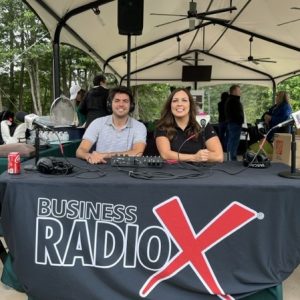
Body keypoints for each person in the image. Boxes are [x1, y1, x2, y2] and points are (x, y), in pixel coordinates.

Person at [76, 86, 147, 164]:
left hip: (129, 171)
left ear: (131, 105)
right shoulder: (97, 123)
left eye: (125, 101)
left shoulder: (139, 127)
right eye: (117, 101)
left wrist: (104, 155)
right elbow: (80, 151)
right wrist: (88, 156)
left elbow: (137, 153)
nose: (121, 104)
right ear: (110, 104)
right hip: (101, 169)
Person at [155, 88, 223, 163]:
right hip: (172, 172)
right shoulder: (162, 126)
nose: (179, 104)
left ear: (190, 105)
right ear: (170, 106)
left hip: (200, 172)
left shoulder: (203, 124)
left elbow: (219, 156)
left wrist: (201, 157)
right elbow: (165, 155)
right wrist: (194, 157)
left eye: (184, 100)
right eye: (175, 101)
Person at [225, 84, 244, 161]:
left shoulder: (231, 100)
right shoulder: (233, 100)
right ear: (234, 91)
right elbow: (236, 113)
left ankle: (231, 157)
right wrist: (240, 120)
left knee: (232, 141)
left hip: (233, 123)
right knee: (233, 141)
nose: (240, 92)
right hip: (235, 123)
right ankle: (232, 158)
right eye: (239, 90)